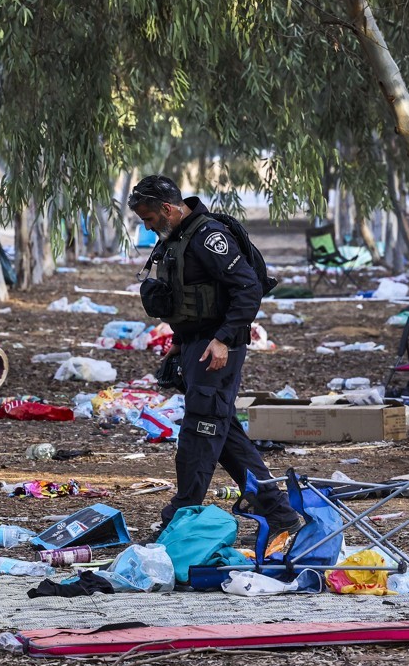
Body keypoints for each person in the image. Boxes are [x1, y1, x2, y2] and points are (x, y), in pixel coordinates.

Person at [129, 175, 303, 543]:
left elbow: (247, 288)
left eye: (150, 218)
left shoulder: (209, 237)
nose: (147, 226)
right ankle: (278, 510)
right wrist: (180, 340)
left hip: (218, 349)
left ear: (168, 208)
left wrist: (223, 340)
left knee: (199, 432)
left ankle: (179, 518)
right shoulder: (176, 237)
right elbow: (188, 297)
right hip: (196, 345)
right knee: (222, 431)